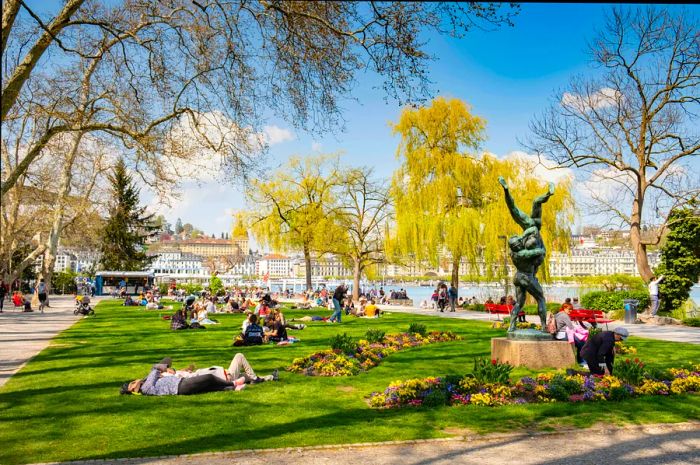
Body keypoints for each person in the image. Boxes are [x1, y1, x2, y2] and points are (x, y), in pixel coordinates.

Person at [120, 354, 278, 396]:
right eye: (132, 383)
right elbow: (157, 367)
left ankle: (267, 378)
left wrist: (170, 371)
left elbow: (167, 361)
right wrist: (154, 371)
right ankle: (233, 385)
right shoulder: (146, 387)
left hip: (184, 382)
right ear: (133, 389)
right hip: (181, 386)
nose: (135, 382)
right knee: (210, 379)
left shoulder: (151, 383)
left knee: (245, 375)